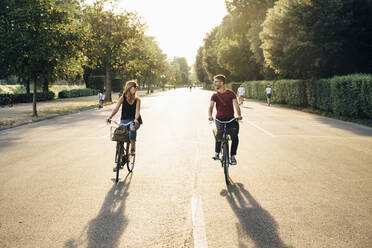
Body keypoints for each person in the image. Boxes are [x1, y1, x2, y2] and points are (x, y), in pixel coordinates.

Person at [106, 80, 142, 171]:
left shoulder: (138, 100)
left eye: (137, 87)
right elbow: (116, 108)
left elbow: (137, 112)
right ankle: (120, 162)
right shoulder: (123, 98)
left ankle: (132, 149)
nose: (136, 89)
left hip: (134, 121)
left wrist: (135, 120)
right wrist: (110, 117)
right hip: (124, 121)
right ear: (130, 88)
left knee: (132, 128)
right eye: (135, 87)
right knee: (119, 137)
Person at [208, 74, 242, 165]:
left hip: (231, 119)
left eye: (216, 81)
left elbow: (236, 105)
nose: (214, 83)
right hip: (219, 119)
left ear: (222, 83)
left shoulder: (231, 93)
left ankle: (232, 156)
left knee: (235, 136)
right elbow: (211, 106)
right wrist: (210, 115)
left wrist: (239, 115)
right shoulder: (215, 95)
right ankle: (217, 153)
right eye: (214, 81)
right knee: (219, 133)